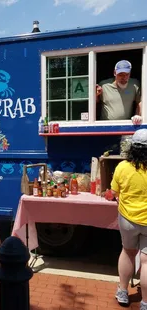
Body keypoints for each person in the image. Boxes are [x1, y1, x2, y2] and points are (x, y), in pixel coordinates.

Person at [110, 129, 147, 309]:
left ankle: (123, 292)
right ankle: (145, 303)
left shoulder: (122, 167)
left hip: (127, 219)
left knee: (127, 252)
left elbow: (113, 192)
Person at [96, 60, 142, 124]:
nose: (124, 78)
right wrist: (96, 95)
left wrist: (137, 116)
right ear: (115, 73)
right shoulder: (104, 85)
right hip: (106, 125)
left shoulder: (135, 84)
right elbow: (94, 103)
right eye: (121, 75)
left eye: (127, 74)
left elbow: (140, 101)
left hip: (127, 125)